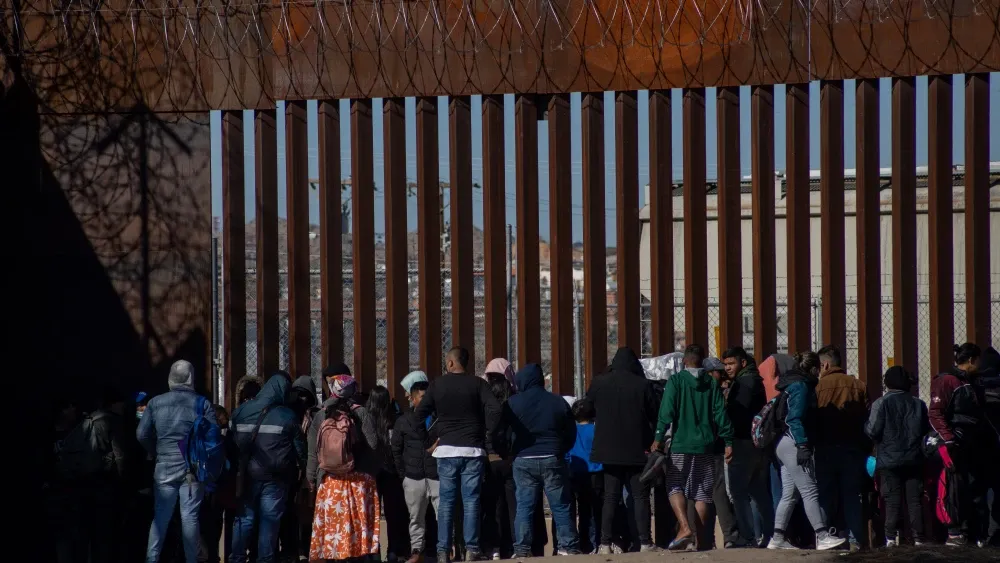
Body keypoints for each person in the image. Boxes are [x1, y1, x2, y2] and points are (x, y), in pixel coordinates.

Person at [414, 347, 502, 563]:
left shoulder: (437, 385)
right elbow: (495, 409)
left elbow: (418, 416)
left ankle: (443, 550)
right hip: (473, 449)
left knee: (447, 502)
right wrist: (486, 431)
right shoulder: (478, 384)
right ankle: (472, 549)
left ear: (451, 363)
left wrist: (428, 442)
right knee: (471, 500)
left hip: (446, 450)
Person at [137, 360, 221, 563]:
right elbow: (214, 439)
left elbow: (141, 434)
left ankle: (152, 559)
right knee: (190, 518)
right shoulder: (202, 403)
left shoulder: (156, 403)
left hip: (164, 467)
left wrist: (156, 451)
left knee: (160, 518)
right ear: (191, 377)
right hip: (191, 469)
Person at [652, 345, 733, 551]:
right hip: (706, 444)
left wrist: (659, 436)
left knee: (674, 485)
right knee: (702, 493)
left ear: (684, 361)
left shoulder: (676, 381)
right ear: (702, 361)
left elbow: (667, 411)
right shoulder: (711, 383)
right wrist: (728, 440)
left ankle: (685, 528)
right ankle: (702, 540)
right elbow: (720, 413)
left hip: (680, 443)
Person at [767, 352, 846, 551]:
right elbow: (794, 419)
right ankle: (823, 535)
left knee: (789, 494)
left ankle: (777, 538)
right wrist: (802, 445)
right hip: (794, 443)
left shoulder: (788, 385)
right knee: (809, 490)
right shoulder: (801, 387)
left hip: (781, 443)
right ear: (813, 369)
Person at [503, 363, 580, 557]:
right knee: (561, 505)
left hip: (524, 459)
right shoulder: (557, 402)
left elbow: (505, 431)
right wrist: (561, 449)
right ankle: (568, 546)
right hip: (552, 456)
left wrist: (511, 451)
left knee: (524, 506)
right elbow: (570, 431)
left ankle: (522, 548)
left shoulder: (513, 403)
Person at [587, 347, 659, 553]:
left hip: (608, 450)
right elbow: (654, 413)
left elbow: (588, 408)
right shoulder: (643, 385)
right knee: (640, 496)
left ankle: (605, 543)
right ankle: (644, 541)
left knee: (610, 496)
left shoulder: (600, 382)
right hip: (636, 448)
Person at [307, 365, 382, 561]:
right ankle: (356, 555)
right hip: (359, 480)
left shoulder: (320, 414)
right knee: (357, 525)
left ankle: (336, 555)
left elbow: (313, 452)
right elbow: (373, 443)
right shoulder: (362, 412)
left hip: (331, 480)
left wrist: (311, 479)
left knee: (334, 525)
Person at [229, 374, 306, 563]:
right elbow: (301, 450)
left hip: (247, 475)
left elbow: (231, 443)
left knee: (244, 519)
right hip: (276, 479)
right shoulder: (287, 415)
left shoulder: (241, 411)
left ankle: (237, 558)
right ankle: (266, 559)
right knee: (269, 522)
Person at [930, 343, 995, 546]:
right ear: (971, 360)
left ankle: (973, 532)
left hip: (972, 443)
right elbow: (936, 412)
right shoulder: (948, 380)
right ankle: (956, 532)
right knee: (956, 488)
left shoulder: (971, 381)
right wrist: (949, 439)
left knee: (974, 488)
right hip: (956, 444)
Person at [864, 366, 928, 547]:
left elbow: (873, 430)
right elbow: (925, 430)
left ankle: (890, 538)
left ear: (887, 383)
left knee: (892, 501)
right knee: (914, 501)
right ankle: (918, 538)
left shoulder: (881, 403)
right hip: (914, 458)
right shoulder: (918, 404)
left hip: (889, 460)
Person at [813, 345, 869, 550]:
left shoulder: (819, 387)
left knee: (825, 495)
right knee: (852, 496)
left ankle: (825, 537)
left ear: (825, 364)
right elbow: (866, 418)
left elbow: (813, 418)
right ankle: (856, 541)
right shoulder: (858, 385)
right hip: (852, 448)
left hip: (825, 448)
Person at [720, 346, 773, 547]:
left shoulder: (744, 383)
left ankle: (747, 536)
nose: (727, 368)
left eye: (731, 363)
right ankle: (771, 534)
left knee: (738, 491)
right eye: (725, 364)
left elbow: (738, 414)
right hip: (758, 444)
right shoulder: (754, 379)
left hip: (743, 443)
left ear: (742, 363)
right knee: (759, 491)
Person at [393, 380, 441, 563]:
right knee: (416, 518)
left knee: (443, 514)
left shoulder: (440, 418)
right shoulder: (403, 421)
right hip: (413, 477)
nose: (427, 400)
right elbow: (396, 449)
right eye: (422, 397)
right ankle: (416, 551)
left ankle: (445, 549)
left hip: (437, 474)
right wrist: (403, 475)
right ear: (413, 399)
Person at [279, 375, 320, 563]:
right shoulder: (289, 415)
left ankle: (302, 549)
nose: (303, 399)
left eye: (306, 395)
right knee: (292, 512)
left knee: (305, 512)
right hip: (294, 469)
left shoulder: (314, 416)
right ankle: (293, 549)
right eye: (299, 395)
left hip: (306, 470)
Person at [702, 357, 740, 548]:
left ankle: (704, 538)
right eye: (719, 372)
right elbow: (721, 418)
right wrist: (728, 441)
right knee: (718, 492)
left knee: (700, 493)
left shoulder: (695, 389)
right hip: (715, 446)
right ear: (710, 373)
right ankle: (730, 537)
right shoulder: (715, 391)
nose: (722, 375)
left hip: (698, 447)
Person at [369, 384, 410, 560]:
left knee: (372, 515)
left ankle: (374, 552)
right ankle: (394, 551)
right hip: (392, 474)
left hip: (372, 473)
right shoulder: (394, 420)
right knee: (394, 515)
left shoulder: (367, 422)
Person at [566, 398, 603, 554]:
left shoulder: (571, 431)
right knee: (596, 509)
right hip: (596, 471)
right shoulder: (596, 430)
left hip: (576, 471)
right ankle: (596, 542)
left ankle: (583, 542)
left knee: (582, 509)